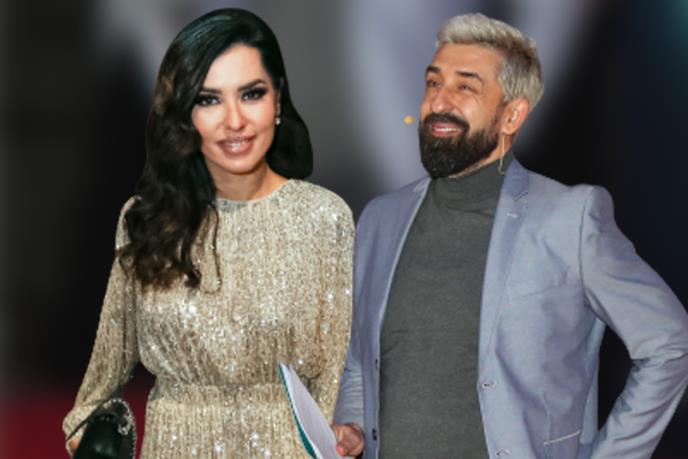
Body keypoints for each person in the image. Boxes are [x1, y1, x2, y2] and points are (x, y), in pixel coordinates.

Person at [332, 12, 688, 459]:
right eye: (433, 82)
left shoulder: (569, 218)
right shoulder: (380, 219)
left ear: (512, 115)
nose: (439, 101)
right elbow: (361, 362)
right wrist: (354, 428)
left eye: (466, 87)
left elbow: (669, 343)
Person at [63, 8, 354, 458]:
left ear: (278, 100)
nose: (234, 120)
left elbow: (334, 379)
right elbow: (97, 389)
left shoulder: (323, 219)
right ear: (184, 113)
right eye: (208, 99)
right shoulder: (146, 219)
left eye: (251, 94)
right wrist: (92, 435)